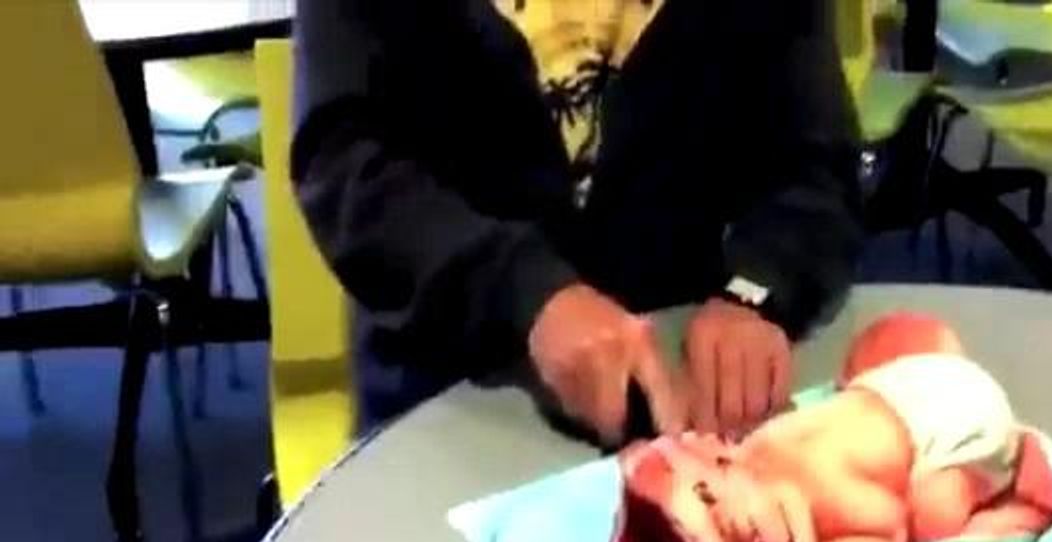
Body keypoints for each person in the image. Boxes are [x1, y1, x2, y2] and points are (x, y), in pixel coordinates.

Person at [292, 0, 865, 441]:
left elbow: (814, 157)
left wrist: (757, 290)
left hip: (682, 389)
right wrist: (527, 293)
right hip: (456, 389)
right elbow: (342, 164)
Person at [610, 312, 1052, 542]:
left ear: (726, 460)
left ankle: (1023, 502)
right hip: (912, 374)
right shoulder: (760, 447)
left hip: (964, 428)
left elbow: (890, 536)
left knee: (930, 516)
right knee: (876, 350)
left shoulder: (834, 495)